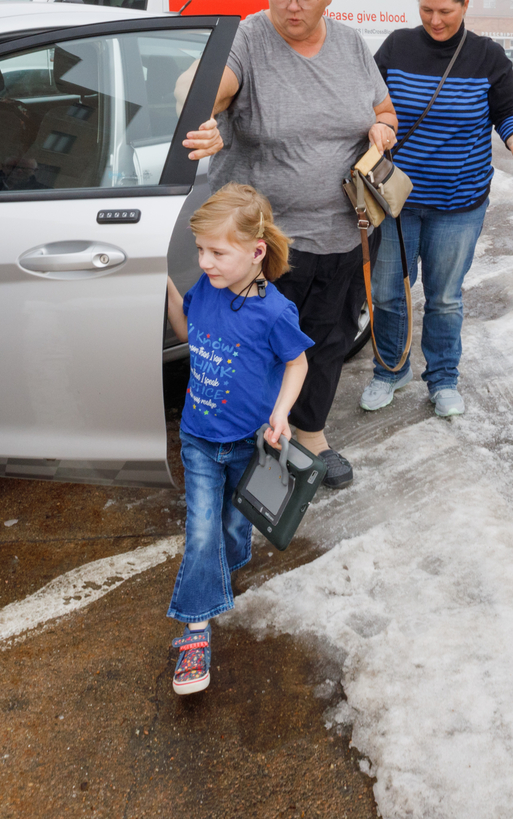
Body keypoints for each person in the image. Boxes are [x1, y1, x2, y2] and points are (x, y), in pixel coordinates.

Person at [181, 0, 397, 489]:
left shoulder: (351, 45)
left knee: (326, 341)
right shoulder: (248, 40)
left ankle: (310, 435)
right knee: (254, 350)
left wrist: (382, 129)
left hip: (342, 233)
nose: (291, 6)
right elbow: (205, 85)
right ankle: (248, 445)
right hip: (267, 244)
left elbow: (384, 110)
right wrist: (198, 109)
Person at [360, 0, 513, 418]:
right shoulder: (398, 47)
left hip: (459, 203)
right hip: (397, 201)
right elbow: (371, 102)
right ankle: (390, 370)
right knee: (389, 293)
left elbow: (508, 110)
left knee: (444, 298)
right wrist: (374, 128)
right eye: (426, 10)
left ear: (465, 5)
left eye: (445, 11)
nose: (435, 20)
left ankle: (442, 380)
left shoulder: (487, 56)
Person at [163, 183, 313, 695]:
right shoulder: (206, 290)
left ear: (256, 251)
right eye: (200, 250)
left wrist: (281, 413)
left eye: (217, 252)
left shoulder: (274, 313)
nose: (205, 262)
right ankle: (196, 630)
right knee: (203, 530)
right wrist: (164, 287)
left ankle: (218, 572)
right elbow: (188, 333)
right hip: (199, 439)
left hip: (251, 443)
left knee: (232, 527)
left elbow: (298, 362)